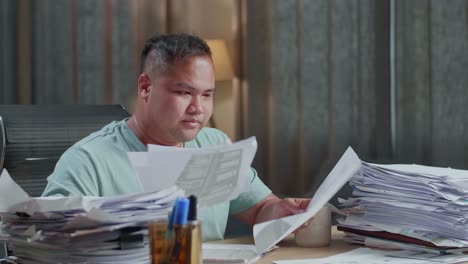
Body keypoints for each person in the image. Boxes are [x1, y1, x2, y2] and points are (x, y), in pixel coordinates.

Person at [42, 33, 310, 241]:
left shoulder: (215, 144)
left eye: (207, 94)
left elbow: (260, 208)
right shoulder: (87, 161)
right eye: (184, 93)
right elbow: (45, 243)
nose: (199, 108)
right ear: (145, 87)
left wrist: (282, 213)